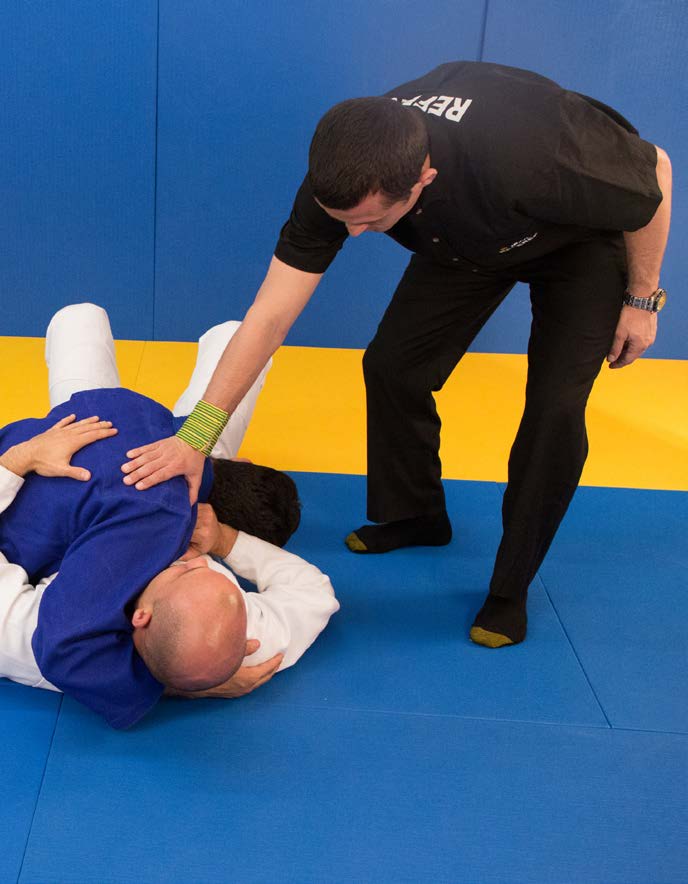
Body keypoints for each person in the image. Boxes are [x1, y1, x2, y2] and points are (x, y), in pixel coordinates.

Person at [120, 61, 672, 649]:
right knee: (392, 366)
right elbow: (271, 314)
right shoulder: (340, 179)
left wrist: (642, 298)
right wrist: (197, 436)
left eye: (371, 222)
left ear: (422, 179)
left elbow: (655, 171)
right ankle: (418, 515)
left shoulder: (533, 152)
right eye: (343, 222)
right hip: (467, 241)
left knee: (555, 410)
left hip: (575, 241)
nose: (354, 236)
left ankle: (511, 587)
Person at [0, 304, 339, 727]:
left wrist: (17, 460)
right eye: (205, 565)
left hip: (86, 434)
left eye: (188, 569)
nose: (193, 559)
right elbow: (314, 595)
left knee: (81, 317)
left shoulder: (193, 606)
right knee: (84, 327)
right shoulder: (204, 585)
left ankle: (227, 335)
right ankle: (228, 338)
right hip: (74, 443)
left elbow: (62, 649)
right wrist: (226, 542)